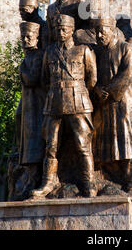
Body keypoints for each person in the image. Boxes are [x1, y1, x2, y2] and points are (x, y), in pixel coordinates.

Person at [30, 14, 97, 198]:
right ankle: (48, 182)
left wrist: (76, 89)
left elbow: (92, 79)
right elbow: (45, 79)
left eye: (64, 29)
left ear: (72, 30)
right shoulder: (49, 52)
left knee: (83, 145)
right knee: (50, 146)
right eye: (58, 29)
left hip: (78, 101)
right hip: (54, 103)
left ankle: (89, 182)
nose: (61, 32)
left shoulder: (83, 50)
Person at [93, 17, 132, 193]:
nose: (99, 35)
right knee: (104, 139)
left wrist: (110, 91)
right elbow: (91, 75)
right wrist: (97, 90)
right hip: (103, 102)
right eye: (97, 32)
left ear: (112, 30)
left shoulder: (126, 48)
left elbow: (129, 73)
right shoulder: (98, 52)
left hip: (123, 102)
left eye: (102, 31)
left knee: (126, 139)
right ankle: (109, 176)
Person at [16, 21, 45, 197]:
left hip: (37, 105)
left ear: (37, 38)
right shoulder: (27, 58)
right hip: (28, 105)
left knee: (35, 139)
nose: (25, 40)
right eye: (23, 37)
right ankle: (29, 176)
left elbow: (31, 78)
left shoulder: (39, 56)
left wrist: (22, 69)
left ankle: (35, 177)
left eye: (29, 37)